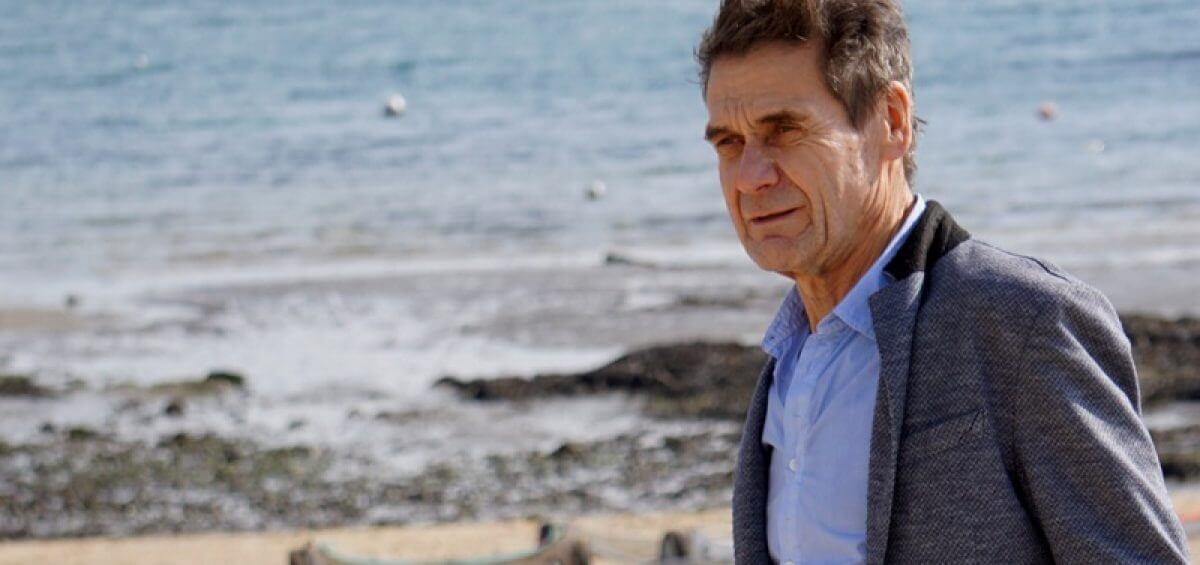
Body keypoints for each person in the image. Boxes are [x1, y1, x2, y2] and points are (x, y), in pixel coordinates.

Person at [695, 0, 1190, 562]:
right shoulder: (788, 363)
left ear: (892, 121)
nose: (751, 177)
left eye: (784, 130)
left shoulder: (1026, 322)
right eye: (728, 143)